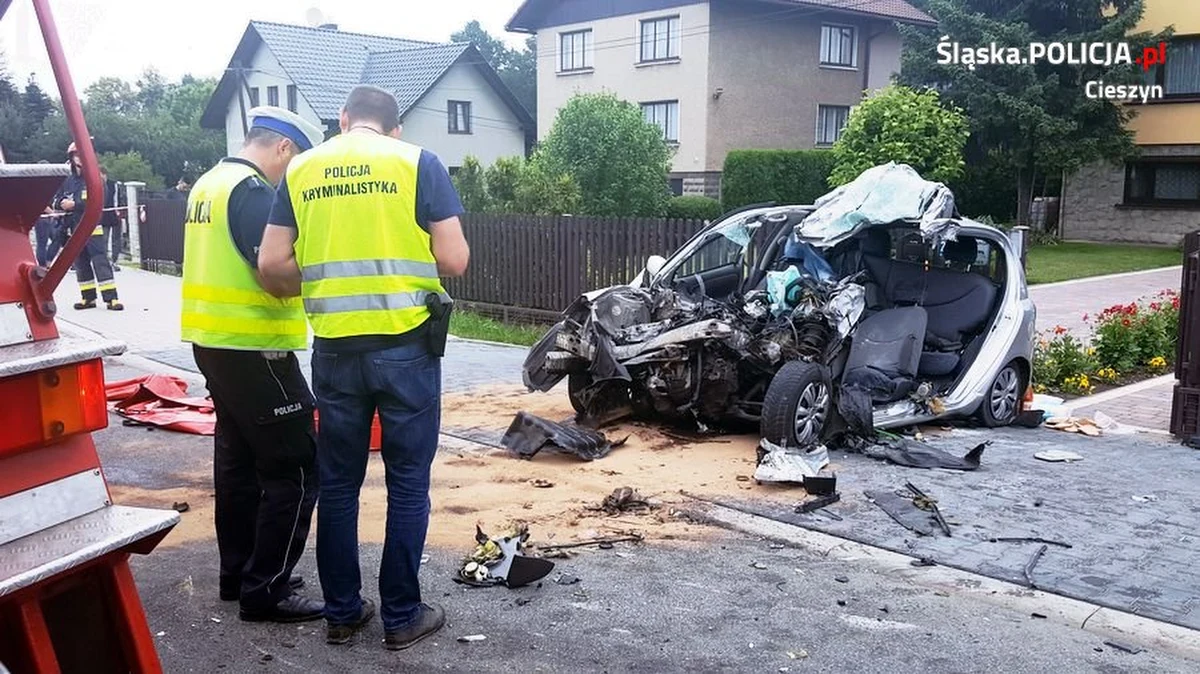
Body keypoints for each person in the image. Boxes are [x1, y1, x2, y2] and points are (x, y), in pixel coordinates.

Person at [258, 85, 470, 650]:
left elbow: (271, 263)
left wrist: (327, 278)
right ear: (394, 128)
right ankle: (402, 616)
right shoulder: (417, 161)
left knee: (339, 486)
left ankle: (342, 613)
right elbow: (453, 258)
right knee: (406, 485)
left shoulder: (302, 168)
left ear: (344, 119)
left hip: (333, 348)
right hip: (406, 346)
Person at [181, 107, 327, 624]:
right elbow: (274, 272)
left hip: (215, 344)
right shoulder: (253, 192)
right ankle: (266, 589)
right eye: (298, 161)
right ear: (284, 148)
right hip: (257, 350)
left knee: (239, 464)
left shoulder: (209, 183)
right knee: (297, 468)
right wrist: (318, 278)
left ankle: (238, 574)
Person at [54, 142, 123, 310]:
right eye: (76, 155)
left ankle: (111, 298)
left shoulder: (94, 177)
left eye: (81, 154)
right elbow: (55, 199)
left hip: (92, 227)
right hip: (73, 228)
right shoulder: (67, 180)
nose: (79, 158)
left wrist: (75, 204)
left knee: (100, 261)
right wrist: (60, 203)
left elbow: (99, 199)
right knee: (81, 263)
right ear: (71, 158)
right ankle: (88, 298)